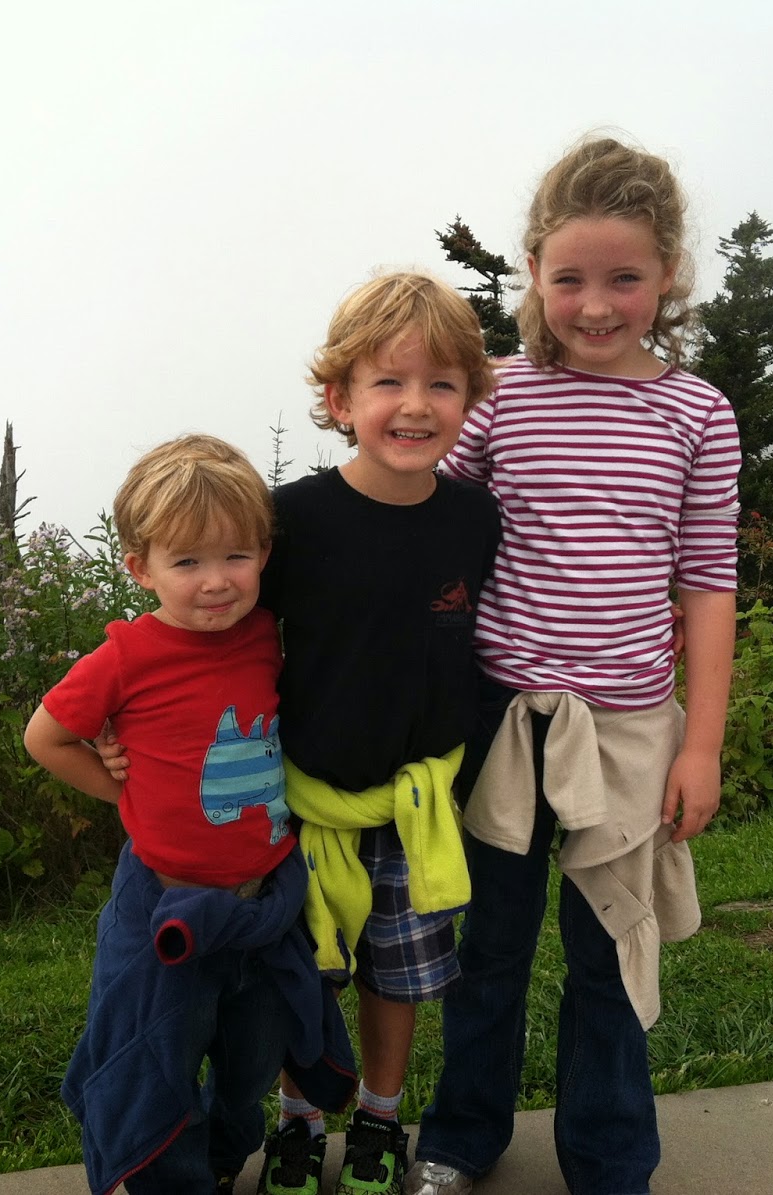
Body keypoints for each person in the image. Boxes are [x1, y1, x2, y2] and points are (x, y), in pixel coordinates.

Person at [102, 272, 501, 1195]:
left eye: (442, 384)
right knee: (301, 973)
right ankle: (298, 1119)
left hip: (415, 803)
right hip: (299, 798)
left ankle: (380, 1119)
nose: (416, 404)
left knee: (396, 977)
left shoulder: (474, 517)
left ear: (469, 399)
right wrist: (137, 727)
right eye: (389, 382)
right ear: (341, 399)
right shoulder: (294, 520)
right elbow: (210, 631)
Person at [408, 136, 741, 1195]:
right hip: (502, 717)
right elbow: (426, 514)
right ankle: (461, 1136)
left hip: (632, 729)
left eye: (624, 278)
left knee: (610, 949)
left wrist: (701, 744)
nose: (595, 306)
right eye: (569, 280)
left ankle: (608, 1160)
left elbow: (708, 584)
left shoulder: (698, 413)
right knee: (490, 944)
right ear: (534, 273)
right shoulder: (499, 396)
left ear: (668, 275)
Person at [25, 434, 353, 1195]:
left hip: (263, 904)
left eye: (236, 556)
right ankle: (169, 1178)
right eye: (187, 562)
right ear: (139, 567)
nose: (215, 581)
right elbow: (45, 737)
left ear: (264, 553)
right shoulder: (124, 657)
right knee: (154, 1061)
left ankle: (221, 1157)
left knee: (252, 1061)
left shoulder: (265, 636)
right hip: (163, 906)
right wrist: (127, 794)